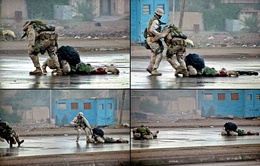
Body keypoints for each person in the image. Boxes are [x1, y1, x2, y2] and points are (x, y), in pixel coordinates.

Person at [145, 8, 169, 76]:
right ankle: (154, 69)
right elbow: (152, 30)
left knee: (154, 54)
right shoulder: (155, 21)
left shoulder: (152, 19)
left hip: (149, 39)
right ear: (159, 14)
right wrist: (160, 35)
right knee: (159, 54)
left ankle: (150, 67)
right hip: (153, 39)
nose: (161, 16)